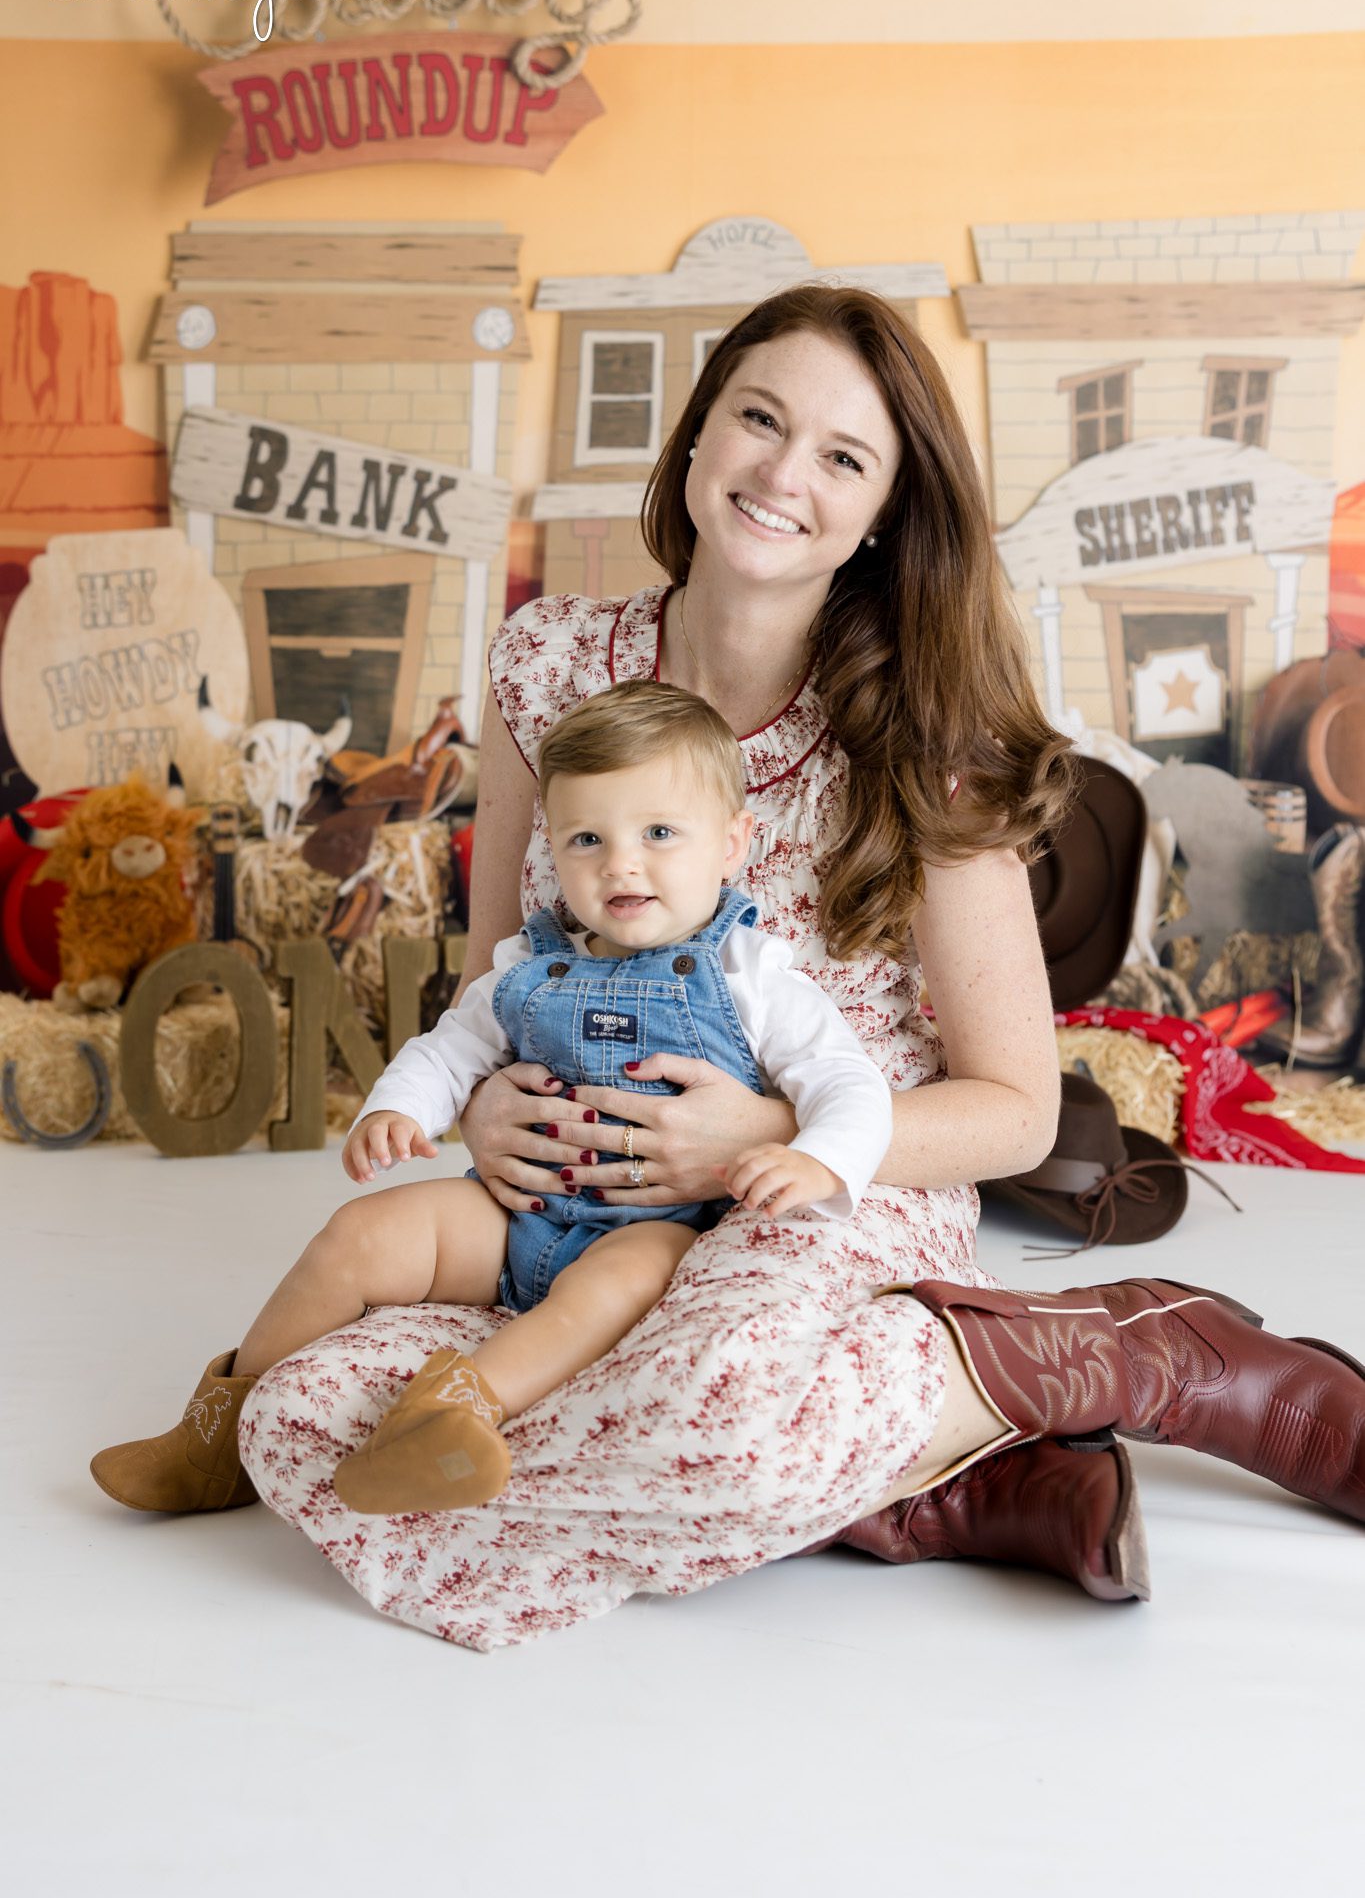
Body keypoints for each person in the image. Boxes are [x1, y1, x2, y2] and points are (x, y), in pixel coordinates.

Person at [227, 283, 1362, 1651]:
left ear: (882, 509)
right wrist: (480, 1103)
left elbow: (1013, 1109)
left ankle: (1138, 1351)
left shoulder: (923, 728)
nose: (781, 474)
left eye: (842, 455)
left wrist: (769, 1138)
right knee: (293, 1419)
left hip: (832, 1190)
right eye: (759, 419)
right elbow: (492, 975)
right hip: (580, 1211)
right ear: (700, 431)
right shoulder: (548, 663)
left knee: (720, 1416)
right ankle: (939, 1483)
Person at [89, 681, 891, 1518]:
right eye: (588, 838)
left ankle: (446, 1418)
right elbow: (449, 1048)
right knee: (358, 1233)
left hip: (654, 1223)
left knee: (621, 1282)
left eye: (658, 833)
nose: (620, 863)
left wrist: (817, 1159)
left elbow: (849, 1082)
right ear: (553, 846)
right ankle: (213, 1437)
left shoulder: (753, 977)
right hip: (512, 1218)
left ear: (731, 843)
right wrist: (398, 1110)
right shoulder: (529, 964)